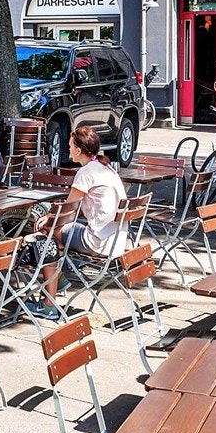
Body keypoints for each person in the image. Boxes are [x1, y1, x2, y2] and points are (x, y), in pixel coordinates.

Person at [29, 125, 125, 320]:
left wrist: (47, 217)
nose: (69, 149)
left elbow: (67, 210)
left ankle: (49, 302)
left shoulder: (86, 172)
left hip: (98, 242)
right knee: (56, 233)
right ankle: (58, 279)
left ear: (79, 150)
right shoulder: (106, 168)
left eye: (71, 145)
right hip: (116, 241)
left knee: (47, 233)